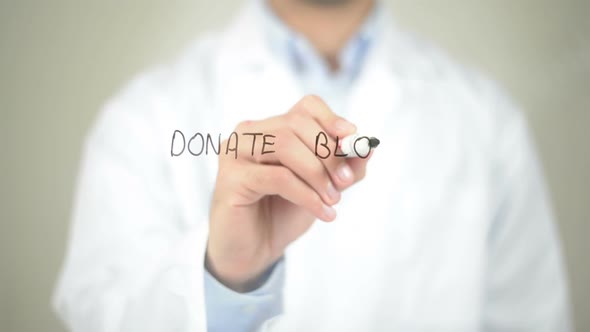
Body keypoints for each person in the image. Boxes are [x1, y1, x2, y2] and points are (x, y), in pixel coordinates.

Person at [53, 0, 572, 331]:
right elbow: (100, 315)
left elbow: (532, 319)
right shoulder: (144, 117)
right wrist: (226, 278)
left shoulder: (485, 120)